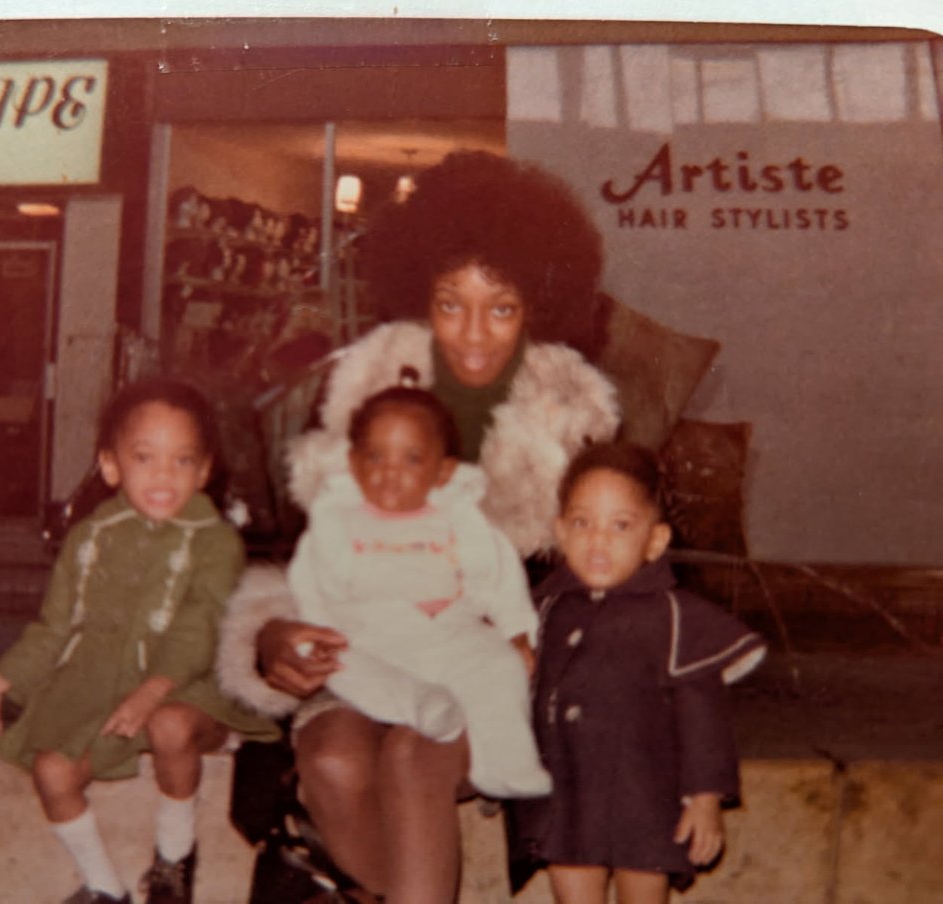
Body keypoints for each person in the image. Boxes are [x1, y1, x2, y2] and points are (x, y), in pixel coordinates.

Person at [215, 150, 620, 904]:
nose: (472, 333)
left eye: (500, 306)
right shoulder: (358, 402)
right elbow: (300, 559)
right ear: (416, 299)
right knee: (332, 757)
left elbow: (619, 586)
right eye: (449, 302)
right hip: (373, 662)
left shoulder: (575, 424)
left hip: (505, 677)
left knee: (411, 756)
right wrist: (272, 640)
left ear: (539, 304)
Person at [0, 378, 279, 904]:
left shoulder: (215, 541)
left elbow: (200, 626)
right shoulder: (89, 539)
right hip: (108, 693)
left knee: (169, 724)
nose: (163, 476)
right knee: (52, 771)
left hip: (190, 689)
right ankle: (104, 888)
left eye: (182, 461)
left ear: (204, 470)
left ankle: (174, 860)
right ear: (111, 465)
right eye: (145, 458)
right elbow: (55, 628)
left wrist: (153, 690)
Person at [510, 442, 766, 903]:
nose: (598, 540)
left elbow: (702, 717)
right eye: (582, 523)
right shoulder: (543, 609)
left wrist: (705, 797)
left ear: (655, 541)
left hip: (644, 794)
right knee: (572, 890)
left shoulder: (673, 617)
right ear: (560, 532)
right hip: (565, 788)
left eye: (620, 525)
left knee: (643, 891)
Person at [287, 382, 552, 799]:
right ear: (354, 463)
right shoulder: (336, 523)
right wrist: (317, 633)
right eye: (375, 457)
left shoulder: (462, 520)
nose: (390, 472)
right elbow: (311, 584)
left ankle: (503, 763)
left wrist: (516, 630)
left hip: (448, 636)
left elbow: (499, 577)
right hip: (369, 639)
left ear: (442, 471)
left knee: (500, 666)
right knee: (346, 669)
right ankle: (420, 706)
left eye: (411, 459)